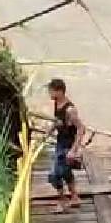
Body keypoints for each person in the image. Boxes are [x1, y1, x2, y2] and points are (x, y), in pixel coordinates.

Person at [46, 78, 86, 213]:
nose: (49, 94)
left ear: (59, 91)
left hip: (68, 145)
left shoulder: (70, 110)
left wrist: (74, 150)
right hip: (60, 141)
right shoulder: (57, 103)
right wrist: (51, 129)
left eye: (51, 91)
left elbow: (81, 128)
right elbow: (58, 120)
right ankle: (74, 197)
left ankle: (62, 201)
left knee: (54, 174)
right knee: (65, 171)